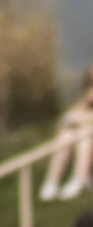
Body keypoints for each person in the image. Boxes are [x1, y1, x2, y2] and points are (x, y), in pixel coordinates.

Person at [40, 65, 93, 201]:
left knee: (85, 133)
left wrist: (81, 120)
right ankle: (53, 181)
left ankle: (81, 178)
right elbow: (65, 120)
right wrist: (84, 106)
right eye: (90, 84)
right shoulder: (86, 103)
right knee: (67, 134)